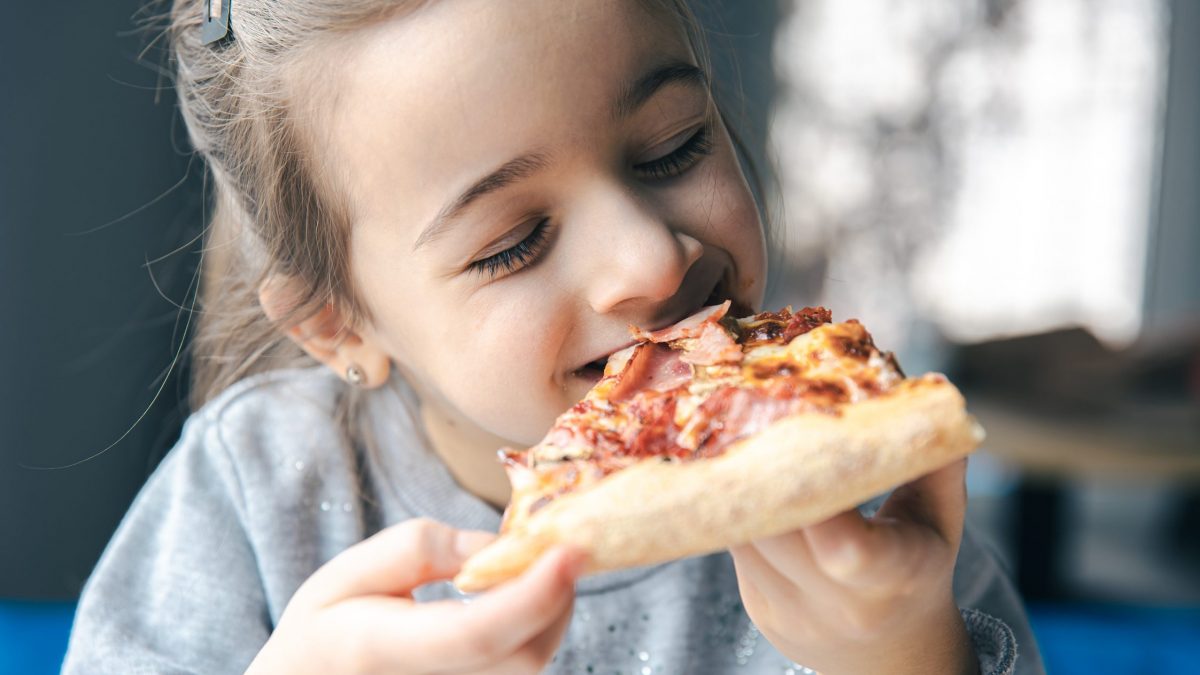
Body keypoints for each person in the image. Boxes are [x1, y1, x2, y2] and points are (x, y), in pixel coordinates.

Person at [63, 1, 1045, 673]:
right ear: (336, 326)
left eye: (673, 145)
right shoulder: (259, 487)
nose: (648, 260)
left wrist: (911, 655)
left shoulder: (869, 507)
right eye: (513, 244)